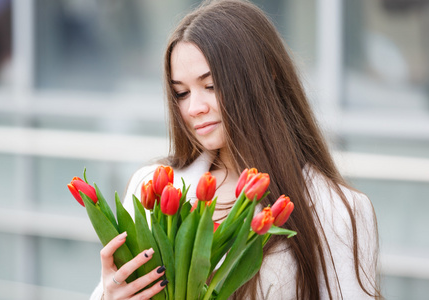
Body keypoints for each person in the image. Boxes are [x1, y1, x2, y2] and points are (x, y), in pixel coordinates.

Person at [91, 0, 381, 299]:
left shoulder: (334, 210)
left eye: (211, 85)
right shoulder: (153, 188)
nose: (194, 108)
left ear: (268, 74)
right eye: (181, 92)